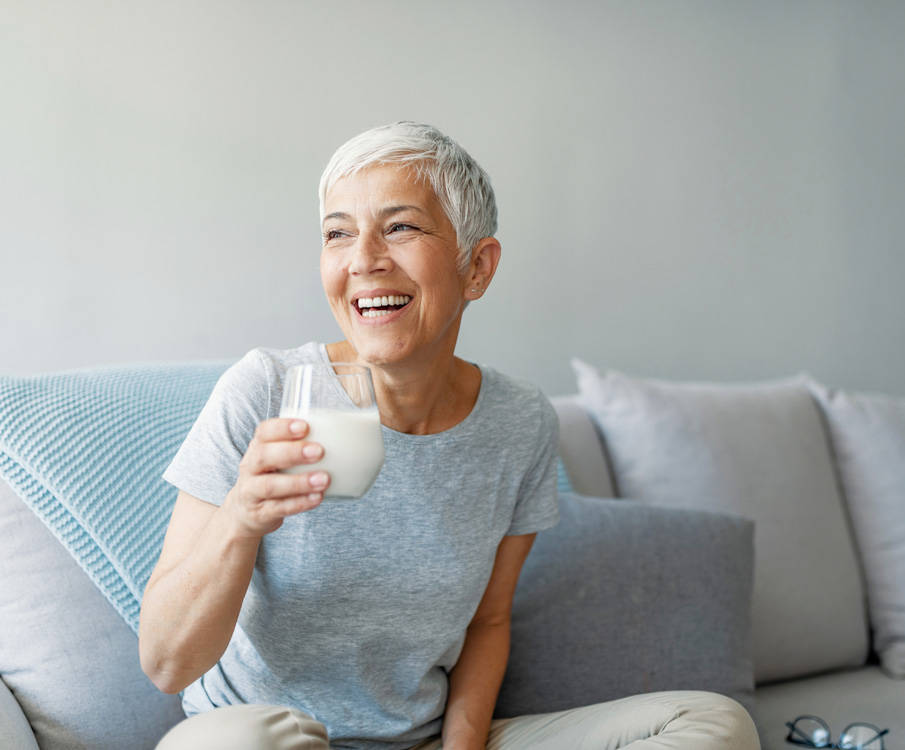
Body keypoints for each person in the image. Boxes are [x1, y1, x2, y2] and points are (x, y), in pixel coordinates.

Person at [139, 121, 760, 750]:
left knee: (711, 723)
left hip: (422, 742)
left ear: (477, 267)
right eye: (337, 234)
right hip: (268, 738)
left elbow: (488, 621)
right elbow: (166, 665)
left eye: (401, 227)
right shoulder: (266, 389)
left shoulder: (520, 423)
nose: (363, 260)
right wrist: (240, 520)